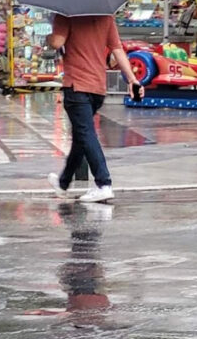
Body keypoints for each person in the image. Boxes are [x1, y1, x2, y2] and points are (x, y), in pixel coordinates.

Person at [46, 15, 142, 203]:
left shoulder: (66, 15)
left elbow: (57, 42)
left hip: (77, 85)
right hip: (98, 87)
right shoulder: (106, 17)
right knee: (82, 136)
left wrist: (48, 37)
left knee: (86, 133)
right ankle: (63, 182)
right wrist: (132, 79)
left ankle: (103, 183)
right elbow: (117, 49)